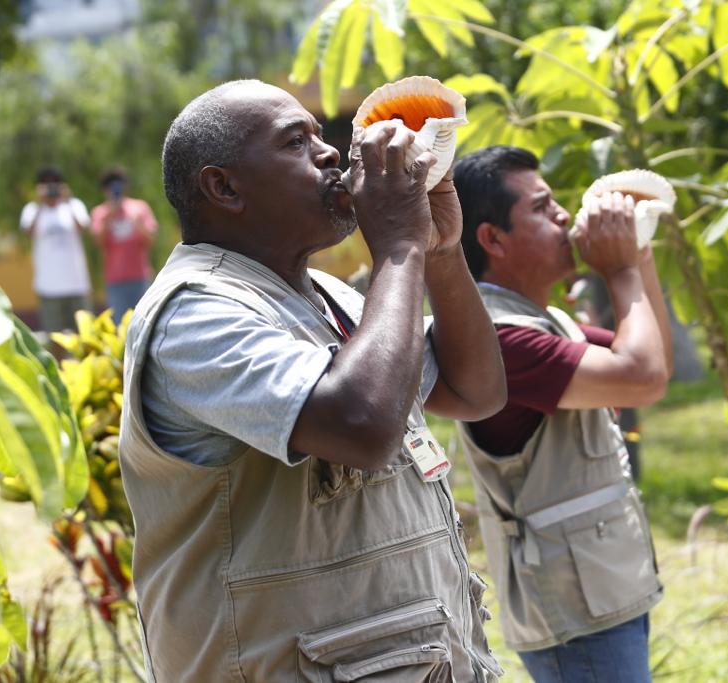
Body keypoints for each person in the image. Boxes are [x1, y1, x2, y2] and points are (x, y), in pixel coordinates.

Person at [117, 79, 507, 682]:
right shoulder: (192, 313)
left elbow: (475, 390)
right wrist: (399, 246)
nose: (329, 153)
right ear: (223, 187)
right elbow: (363, 426)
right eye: (296, 142)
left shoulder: (327, 294)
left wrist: (440, 250)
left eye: (321, 136)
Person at [452, 146, 674, 683]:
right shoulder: (500, 339)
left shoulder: (544, 321)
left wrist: (638, 257)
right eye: (542, 207)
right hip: (577, 613)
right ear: (492, 239)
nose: (563, 216)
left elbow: (653, 364)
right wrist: (621, 270)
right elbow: (641, 376)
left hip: (601, 591)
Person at [20, 165, 92, 335]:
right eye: (46, 184)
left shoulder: (74, 205)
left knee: (86, 335)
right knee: (55, 337)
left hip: (77, 284)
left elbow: (83, 228)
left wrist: (67, 200)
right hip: (49, 286)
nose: (51, 188)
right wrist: (39, 204)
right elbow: (28, 232)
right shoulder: (32, 209)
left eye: (55, 184)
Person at [90, 166, 159, 321]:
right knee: (120, 326)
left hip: (140, 277)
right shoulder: (100, 213)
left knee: (146, 321)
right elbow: (97, 242)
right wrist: (109, 217)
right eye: (110, 186)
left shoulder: (139, 207)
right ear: (104, 190)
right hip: (115, 281)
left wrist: (138, 224)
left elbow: (152, 239)